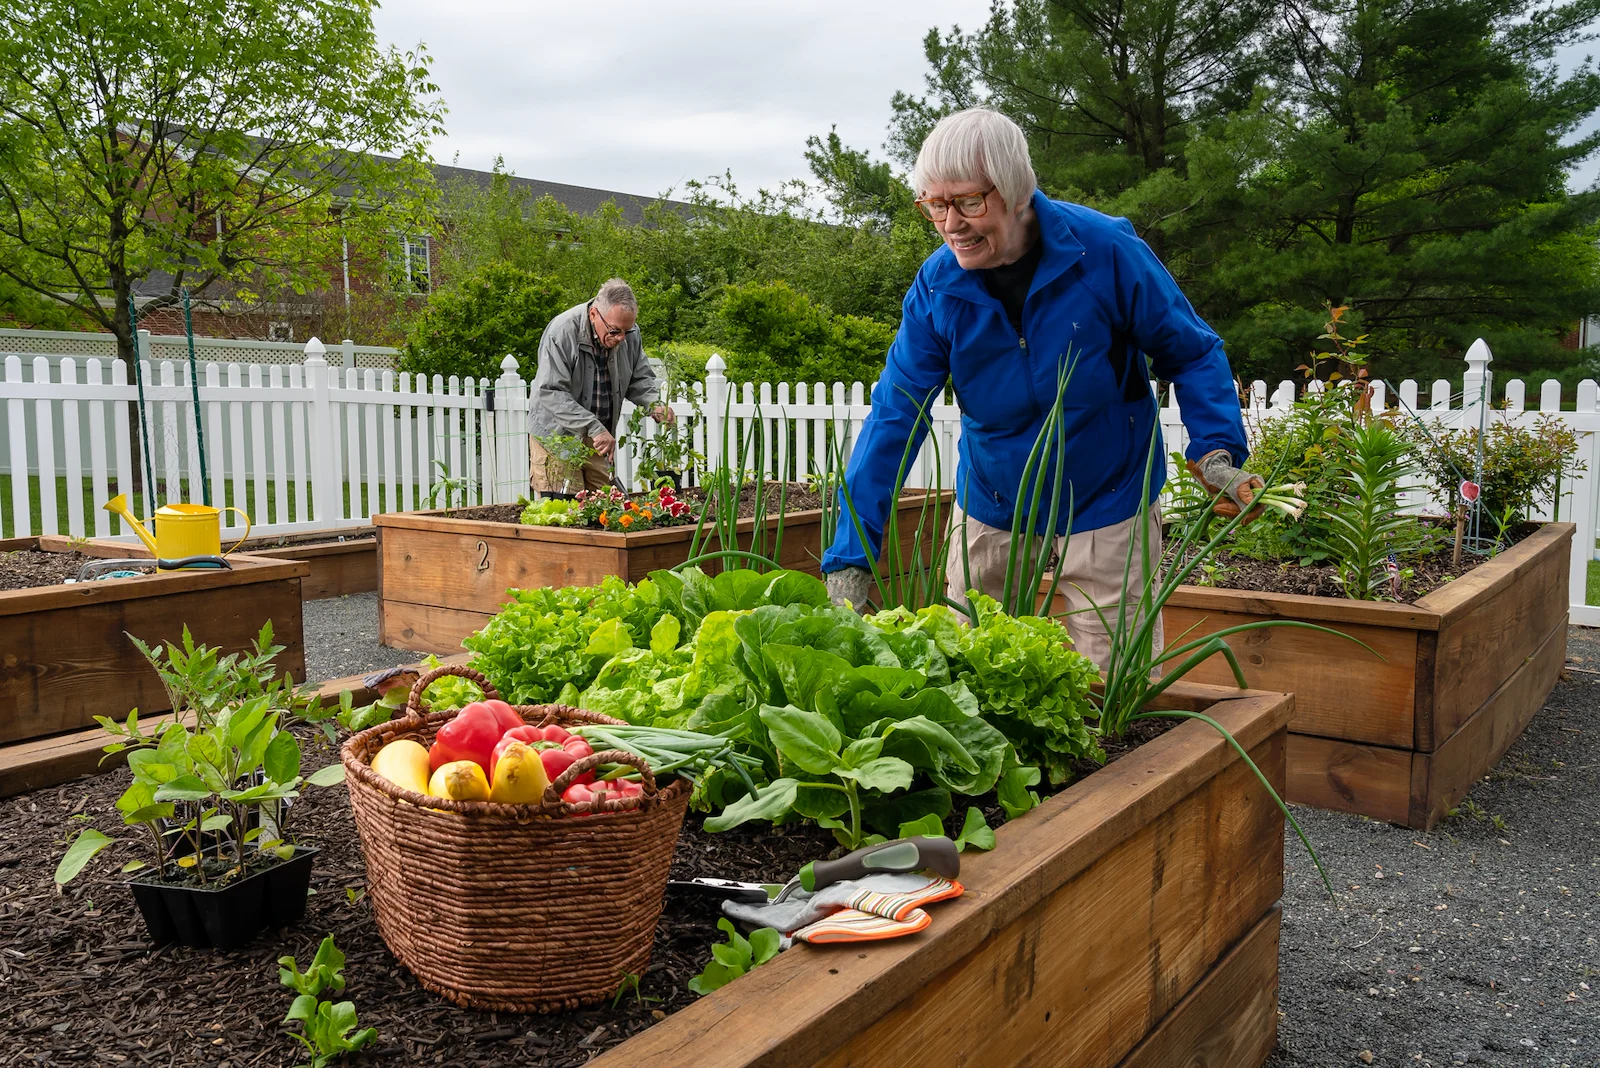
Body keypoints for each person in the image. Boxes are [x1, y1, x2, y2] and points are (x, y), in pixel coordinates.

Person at [819, 108, 1261, 670]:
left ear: (1015, 190)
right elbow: (896, 412)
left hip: (1108, 494)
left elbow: (1192, 351)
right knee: (974, 671)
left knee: (1111, 680)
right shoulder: (939, 286)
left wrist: (1216, 453)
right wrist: (851, 556)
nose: (951, 224)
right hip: (993, 497)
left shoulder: (1103, 252)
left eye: (968, 202)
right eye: (934, 205)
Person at [527, 278, 675, 496]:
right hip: (558, 436)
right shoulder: (562, 332)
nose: (622, 338)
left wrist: (654, 403)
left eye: (627, 330)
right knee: (565, 506)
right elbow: (551, 392)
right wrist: (593, 426)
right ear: (594, 314)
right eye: (615, 331)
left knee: (609, 503)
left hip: (598, 438)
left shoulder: (629, 333)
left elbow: (639, 378)